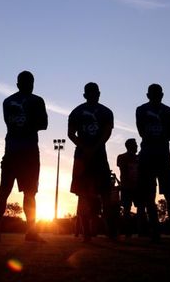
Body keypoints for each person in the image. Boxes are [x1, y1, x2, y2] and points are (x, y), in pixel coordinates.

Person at [0, 71, 48, 242]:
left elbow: (11, 123)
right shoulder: (36, 101)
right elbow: (43, 124)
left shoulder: (8, 102)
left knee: (5, 191)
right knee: (29, 193)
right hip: (28, 152)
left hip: (13, 150)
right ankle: (30, 232)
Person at [68, 82, 114, 241]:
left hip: (88, 155)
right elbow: (71, 133)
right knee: (89, 194)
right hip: (89, 155)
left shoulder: (101, 112)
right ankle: (96, 231)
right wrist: (91, 148)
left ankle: (101, 231)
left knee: (97, 193)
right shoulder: (83, 112)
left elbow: (71, 134)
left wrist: (88, 148)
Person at [136, 83, 170, 241]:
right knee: (168, 194)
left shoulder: (141, 110)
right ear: (162, 95)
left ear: (148, 95)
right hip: (160, 154)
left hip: (150, 154)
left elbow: (141, 132)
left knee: (151, 194)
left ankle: (155, 230)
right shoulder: (168, 111)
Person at [116, 138, 141, 238]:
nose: (136, 146)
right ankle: (127, 231)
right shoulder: (122, 157)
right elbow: (123, 170)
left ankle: (140, 230)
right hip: (127, 187)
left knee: (140, 208)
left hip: (137, 187)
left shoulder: (139, 158)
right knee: (126, 209)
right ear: (130, 146)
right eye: (135, 145)